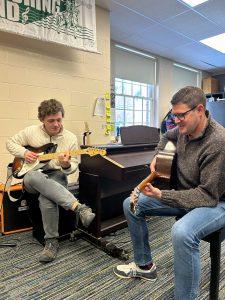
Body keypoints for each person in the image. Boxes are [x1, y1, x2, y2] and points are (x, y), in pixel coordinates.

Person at [113, 86, 225, 299]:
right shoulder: (183, 130)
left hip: (216, 202)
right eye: (174, 116)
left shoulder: (218, 142)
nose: (176, 121)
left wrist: (162, 195)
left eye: (181, 115)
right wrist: (157, 156)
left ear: (199, 110)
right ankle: (145, 265)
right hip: (184, 195)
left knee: (182, 233)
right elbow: (166, 136)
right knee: (131, 204)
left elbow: (207, 196)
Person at [6, 99, 95, 263]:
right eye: (51, 121)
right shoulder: (31, 131)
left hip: (56, 174)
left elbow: (73, 166)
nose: (56, 124)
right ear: (42, 120)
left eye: (59, 120)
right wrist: (25, 153)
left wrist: (66, 165)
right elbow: (10, 143)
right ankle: (79, 208)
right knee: (33, 176)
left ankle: (51, 242)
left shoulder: (69, 138)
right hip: (31, 175)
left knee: (47, 199)